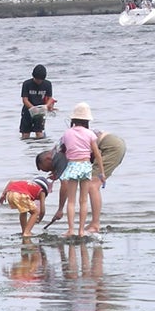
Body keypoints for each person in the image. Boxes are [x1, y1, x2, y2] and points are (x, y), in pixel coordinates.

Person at [56, 102, 103, 239]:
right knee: (83, 200)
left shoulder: (67, 133)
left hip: (72, 165)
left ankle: (71, 229)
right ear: (87, 119)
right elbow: (97, 154)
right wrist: (102, 172)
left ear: (73, 119)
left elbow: (62, 151)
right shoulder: (90, 134)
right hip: (85, 166)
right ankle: (82, 231)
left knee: (71, 201)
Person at [20, 64, 54, 140]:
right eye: (37, 79)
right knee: (25, 134)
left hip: (41, 111)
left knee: (39, 133)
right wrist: (32, 108)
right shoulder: (27, 84)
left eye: (40, 80)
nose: (39, 81)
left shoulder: (47, 84)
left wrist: (46, 106)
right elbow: (24, 99)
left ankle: (39, 148)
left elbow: (50, 98)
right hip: (28, 110)